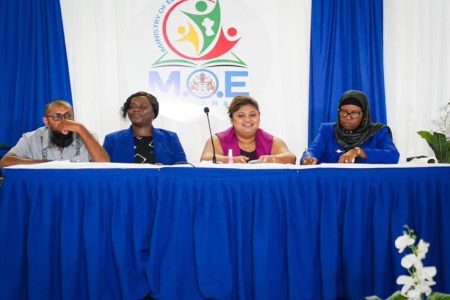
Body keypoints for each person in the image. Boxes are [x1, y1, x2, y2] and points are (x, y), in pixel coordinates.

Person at [0, 100, 110, 167]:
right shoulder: (30, 138)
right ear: (46, 121)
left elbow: (104, 164)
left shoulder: (86, 135)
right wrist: (50, 165)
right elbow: (5, 162)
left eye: (68, 115)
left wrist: (81, 129)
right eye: (57, 116)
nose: (64, 121)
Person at [301, 90, 400, 165]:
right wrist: (308, 158)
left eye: (354, 113)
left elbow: (393, 156)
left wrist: (359, 152)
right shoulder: (327, 130)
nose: (348, 117)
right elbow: (313, 151)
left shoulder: (378, 132)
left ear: (364, 115)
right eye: (343, 112)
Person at [200, 95, 296, 164]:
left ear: (259, 117)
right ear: (232, 120)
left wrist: (272, 159)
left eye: (253, 115)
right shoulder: (217, 140)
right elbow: (205, 159)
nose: (248, 119)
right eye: (241, 115)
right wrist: (232, 160)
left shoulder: (271, 141)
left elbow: (291, 158)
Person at [103, 91, 187, 165]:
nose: (136, 109)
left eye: (142, 107)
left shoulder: (170, 138)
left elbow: (182, 170)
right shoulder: (112, 140)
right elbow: (104, 172)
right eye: (132, 107)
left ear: (154, 113)